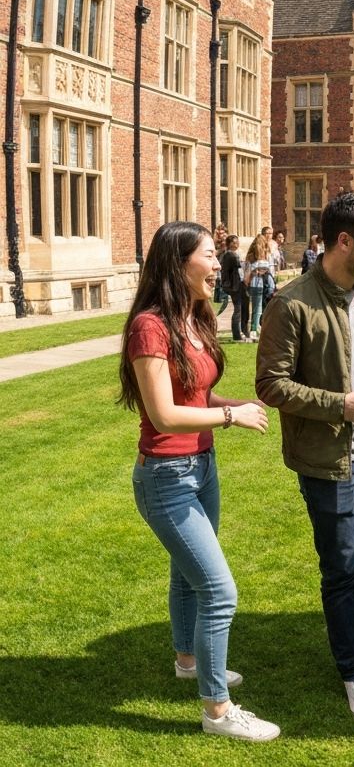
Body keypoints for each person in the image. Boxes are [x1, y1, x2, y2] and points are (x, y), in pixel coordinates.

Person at [256, 192, 354, 727]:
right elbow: (271, 384)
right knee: (341, 567)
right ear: (344, 241)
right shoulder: (292, 302)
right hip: (329, 460)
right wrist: (338, 406)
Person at [119, 221, 279, 742]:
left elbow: (194, 398)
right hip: (166, 476)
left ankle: (188, 660)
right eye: (209, 256)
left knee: (188, 577)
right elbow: (164, 415)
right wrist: (232, 421)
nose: (218, 265)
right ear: (178, 261)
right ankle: (217, 711)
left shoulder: (194, 317)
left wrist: (231, 405)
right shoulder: (150, 326)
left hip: (201, 468)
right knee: (219, 590)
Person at [243, 234, 273, 339]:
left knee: (259, 308)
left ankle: (258, 328)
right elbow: (271, 271)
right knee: (259, 308)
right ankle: (254, 330)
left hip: (257, 284)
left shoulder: (251, 257)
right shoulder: (264, 257)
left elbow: (245, 274)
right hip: (260, 284)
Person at [218, 234, 245, 342]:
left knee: (238, 309)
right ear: (229, 244)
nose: (236, 244)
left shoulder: (229, 255)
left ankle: (237, 333)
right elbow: (238, 269)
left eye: (237, 242)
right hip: (234, 286)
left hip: (234, 285)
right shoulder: (231, 255)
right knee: (238, 309)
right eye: (234, 242)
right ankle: (237, 335)